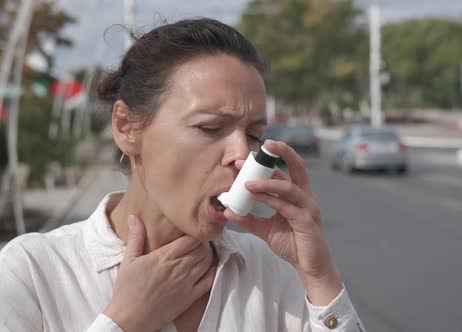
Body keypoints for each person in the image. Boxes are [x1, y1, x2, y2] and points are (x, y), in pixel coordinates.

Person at [0, 18, 365, 332]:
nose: (242, 155)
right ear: (126, 126)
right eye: (209, 128)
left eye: (253, 135)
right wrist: (125, 321)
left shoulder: (271, 270)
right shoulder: (33, 272)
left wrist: (320, 279)